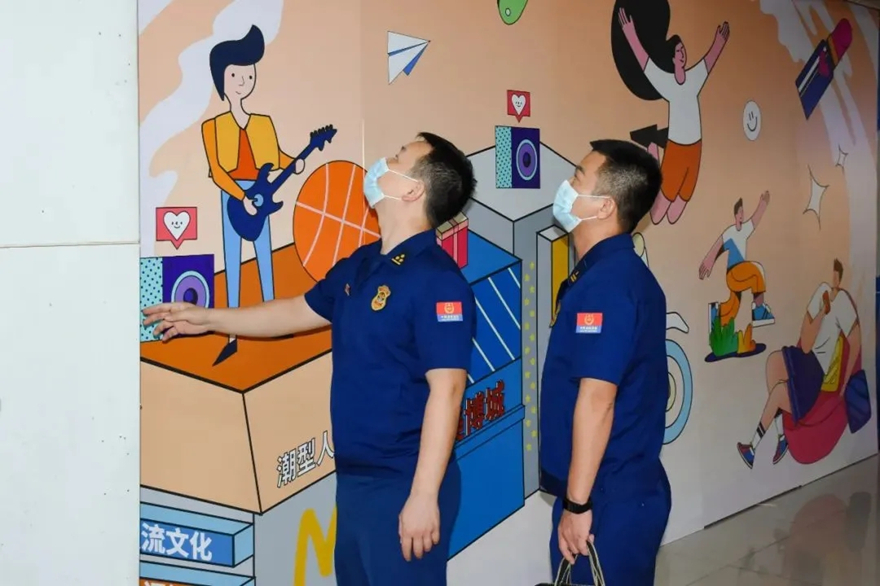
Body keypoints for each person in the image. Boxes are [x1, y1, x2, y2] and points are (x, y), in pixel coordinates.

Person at [145, 133, 477, 585]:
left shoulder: (438, 281)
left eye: (398, 157)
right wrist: (209, 318)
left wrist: (423, 496)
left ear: (412, 190)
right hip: (355, 480)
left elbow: (449, 390)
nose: (384, 160)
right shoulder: (363, 263)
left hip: (404, 481)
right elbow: (296, 311)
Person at [540, 139, 670, 585]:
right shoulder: (608, 276)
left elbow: (598, 400)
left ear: (604, 206)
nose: (566, 185)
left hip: (604, 499)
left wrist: (578, 504)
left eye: (578, 177)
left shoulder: (608, 286)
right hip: (610, 490)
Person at [201, 25, 304, 366]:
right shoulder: (213, 126)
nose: (243, 81)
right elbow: (218, 171)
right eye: (235, 74)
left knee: (265, 260)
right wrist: (239, 195)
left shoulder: (263, 123)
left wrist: (295, 162)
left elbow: (276, 156)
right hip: (233, 196)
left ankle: (276, 325)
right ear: (222, 79)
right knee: (233, 264)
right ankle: (231, 335)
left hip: (260, 192)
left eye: (248, 74)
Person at [737, 259, 861, 468]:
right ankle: (781, 437)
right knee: (773, 362)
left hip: (816, 369)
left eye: (835, 275)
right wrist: (822, 312)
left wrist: (845, 384)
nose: (831, 280)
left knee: (779, 393)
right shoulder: (821, 292)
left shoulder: (843, 303)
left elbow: (855, 342)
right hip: (805, 357)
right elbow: (805, 343)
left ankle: (752, 449)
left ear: (839, 278)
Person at [618, 8, 729, 225]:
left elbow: (709, 61)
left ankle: (654, 145)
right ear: (672, 57)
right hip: (676, 151)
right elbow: (646, 64)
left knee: (674, 215)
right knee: (657, 216)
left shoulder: (694, 79)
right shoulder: (667, 84)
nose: (682, 53)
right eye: (678, 51)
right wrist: (631, 35)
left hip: (695, 151)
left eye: (683, 50)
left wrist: (719, 42)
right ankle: (653, 148)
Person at [699, 192, 776, 333]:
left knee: (733, 308)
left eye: (743, 212)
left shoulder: (745, 230)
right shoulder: (730, 232)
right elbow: (718, 245)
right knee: (757, 271)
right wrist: (709, 260)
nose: (742, 215)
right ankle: (759, 311)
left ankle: (717, 313)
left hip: (741, 275)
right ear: (735, 215)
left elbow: (755, 219)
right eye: (740, 212)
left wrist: (763, 204)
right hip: (734, 273)